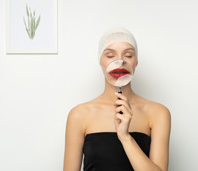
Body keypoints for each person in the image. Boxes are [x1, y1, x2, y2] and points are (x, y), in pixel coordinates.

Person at [63, 27, 171, 171]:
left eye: (128, 55)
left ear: (136, 62)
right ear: (100, 61)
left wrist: (125, 137)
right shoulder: (79, 114)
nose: (120, 61)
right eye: (110, 56)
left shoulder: (158, 113)